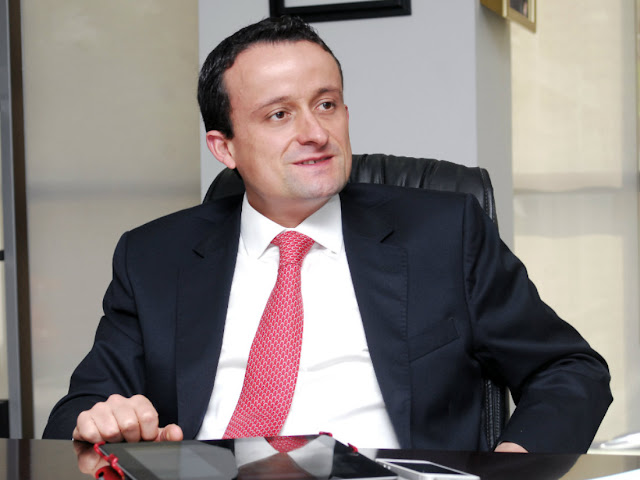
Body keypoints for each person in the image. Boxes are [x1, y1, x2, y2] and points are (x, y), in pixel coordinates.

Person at [43, 16, 612, 453]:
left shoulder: (444, 234)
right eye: (279, 115)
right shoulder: (153, 256)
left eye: (326, 104)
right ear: (224, 147)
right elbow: (78, 410)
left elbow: (568, 369)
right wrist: (100, 420)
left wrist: (514, 464)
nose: (316, 132)